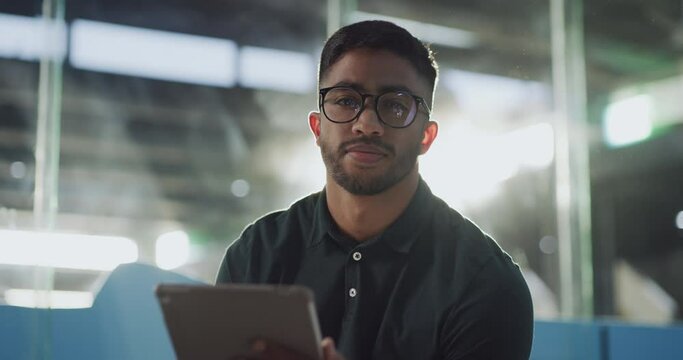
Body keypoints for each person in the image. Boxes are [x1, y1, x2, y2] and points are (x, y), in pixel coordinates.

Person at [217, 20, 534, 360]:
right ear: (317, 127)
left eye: (395, 106)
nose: (367, 124)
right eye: (345, 100)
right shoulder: (258, 254)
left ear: (426, 136)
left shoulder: (482, 282)